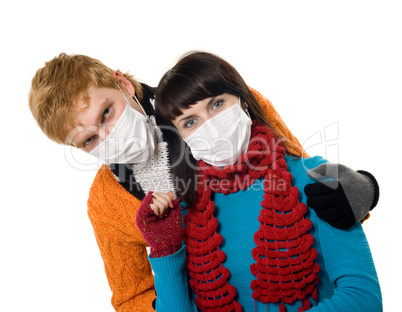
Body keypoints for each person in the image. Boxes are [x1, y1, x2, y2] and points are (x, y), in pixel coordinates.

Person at [29, 53, 379, 312]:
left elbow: (307, 192)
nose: (108, 136)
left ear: (122, 84)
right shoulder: (105, 201)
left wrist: (362, 189)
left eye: (107, 112)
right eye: (89, 140)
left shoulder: (215, 104)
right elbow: (131, 296)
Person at [136, 51, 382, 311]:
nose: (211, 125)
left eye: (217, 104)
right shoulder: (184, 212)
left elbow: (363, 299)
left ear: (242, 99)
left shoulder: (315, 179)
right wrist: (165, 249)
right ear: (180, 137)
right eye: (190, 121)